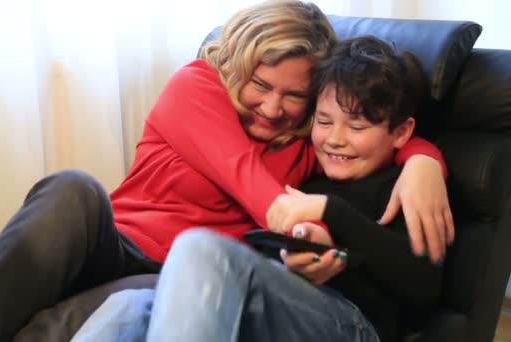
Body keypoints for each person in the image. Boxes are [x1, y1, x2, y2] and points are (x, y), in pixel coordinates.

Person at [0, 1, 450, 341]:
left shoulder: (312, 139)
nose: (273, 109)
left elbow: (363, 134)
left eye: (295, 97)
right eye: (260, 86)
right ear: (236, 67)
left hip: (178, 275)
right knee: (73, 189)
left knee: (128, 305)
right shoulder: (196, 87)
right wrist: (302, 217)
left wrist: (424, 156)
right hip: (113, 246)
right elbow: (263, 192)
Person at [73, 35, 442, 342]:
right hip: (278, 301)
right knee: (129, 306)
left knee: (200, 247)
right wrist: (304, 244)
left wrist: (333, 213)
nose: (335, 140)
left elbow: (425, 286)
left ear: (402, 132)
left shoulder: (403, 186)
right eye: (324, 121)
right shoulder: (305, 171)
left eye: (357, 128)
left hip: (353, 323)